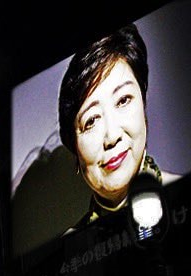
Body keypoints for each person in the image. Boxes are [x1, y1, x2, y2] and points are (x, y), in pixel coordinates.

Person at [58, 24, 179, 235]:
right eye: (91, 120)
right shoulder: (71, 248)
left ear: (143, 104)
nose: (112, 136)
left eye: (123, 100)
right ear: (75, 150)